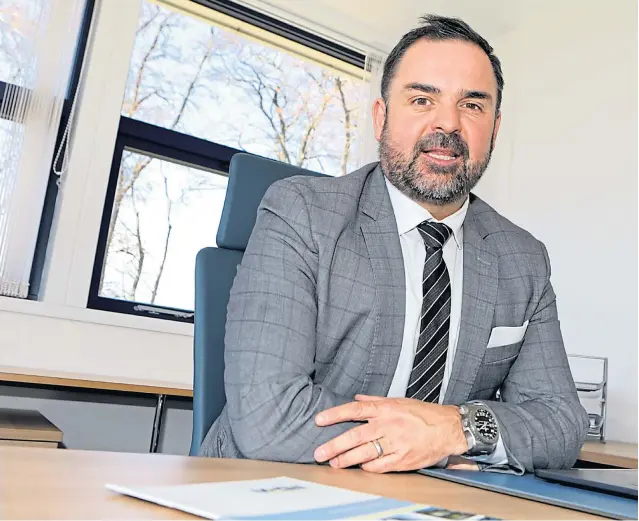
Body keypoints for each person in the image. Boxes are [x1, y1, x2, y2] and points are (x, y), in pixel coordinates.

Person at [199, 14, 588, 474]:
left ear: (495, 129)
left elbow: (561, 424)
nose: (448, 122)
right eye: (422, 99)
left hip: (427, 502)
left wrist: (453, 430)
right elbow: (267, 415)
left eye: (473, 105)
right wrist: (426, 448)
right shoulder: (301, 213)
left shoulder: (523, 259)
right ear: (381, 117)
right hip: (268, 480)